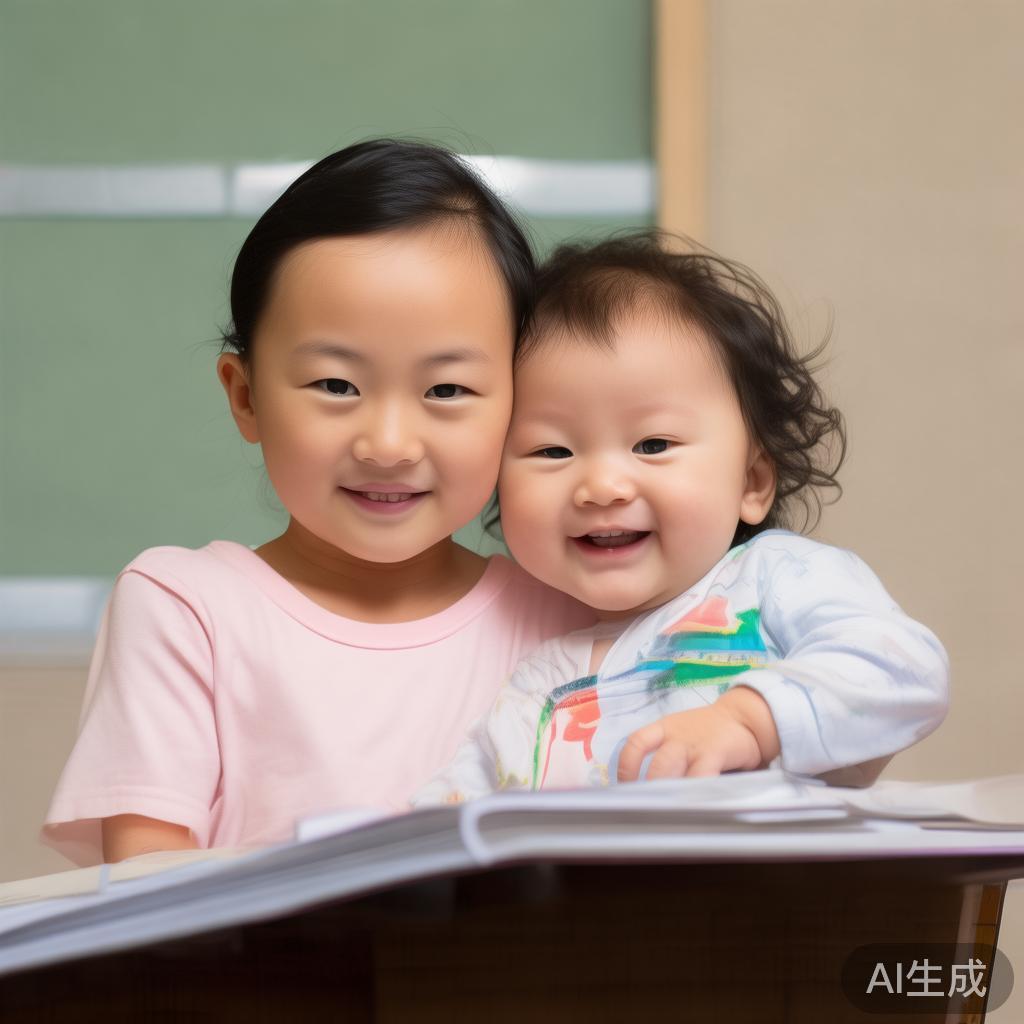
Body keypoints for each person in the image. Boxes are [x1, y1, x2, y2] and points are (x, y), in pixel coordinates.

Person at [42, 140, 594, 865]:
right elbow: (149, 894)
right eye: (337, 385)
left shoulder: (570, 617)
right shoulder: (187, 611)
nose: (389, 444)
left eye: (446, 389)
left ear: (520, 402)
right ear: (246, 396)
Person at [413, 234, 949, 804]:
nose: (601, 487)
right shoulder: (539, 681)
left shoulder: (774, 578)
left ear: (751, 482)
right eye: (553, 451)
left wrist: (750, 721)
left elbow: (905, 670)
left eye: (653, 445)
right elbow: (449, 820)